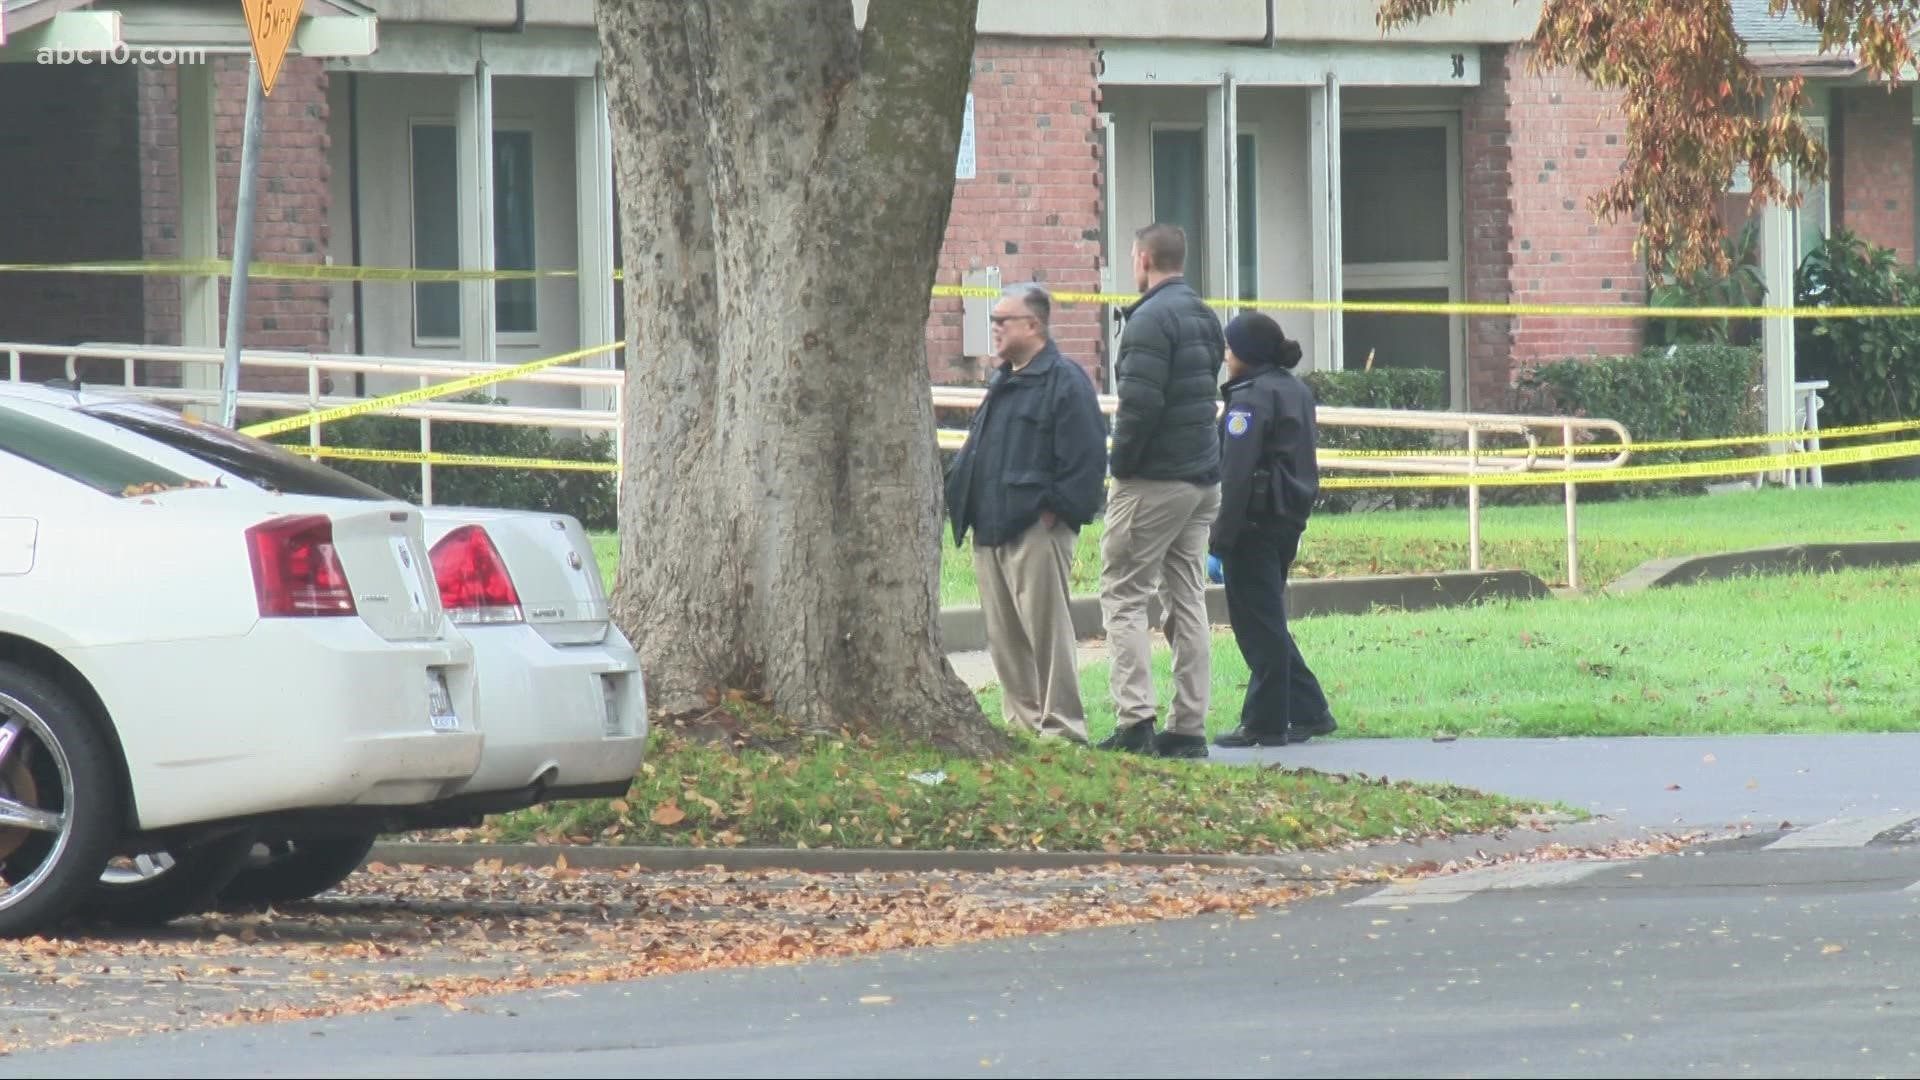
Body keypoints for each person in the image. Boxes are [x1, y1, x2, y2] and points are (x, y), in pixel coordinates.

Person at [945, 284, 1109, 743]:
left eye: (1003, 320)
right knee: (1005, 639)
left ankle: (1062, 729)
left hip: (1035, 528)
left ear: (1033, 325)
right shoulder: (1004, 381)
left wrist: (1055, 513)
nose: (994, 328)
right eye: (993, 320)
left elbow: (1086, 459)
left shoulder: (1065, 381)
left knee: (1046, 635)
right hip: (990, 528)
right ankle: (1022, 726)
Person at [1096, 223, 1225, 760]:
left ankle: (1135, 720)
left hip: (1153, 480)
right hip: (1202, 480)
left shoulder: (1149, 319)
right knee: (1187, 600)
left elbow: (1140, 406)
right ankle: (1189, 726)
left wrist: (1119, 465)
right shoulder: (1205, 315)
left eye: (1132, 257)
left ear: (1145, 259)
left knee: (1123, 595)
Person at [1207, 312, 1337, 748]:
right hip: (1286, 519)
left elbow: (1237, 473)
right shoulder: (1294, 390)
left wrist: (1220, 539)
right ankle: (1309, 709)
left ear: (1247, 352)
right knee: (1269, 619)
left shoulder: (1249, 400)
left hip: (1253, 523)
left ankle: (1264, 722)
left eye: (1230, 346)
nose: (1225, 354)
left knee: (1256, 625)